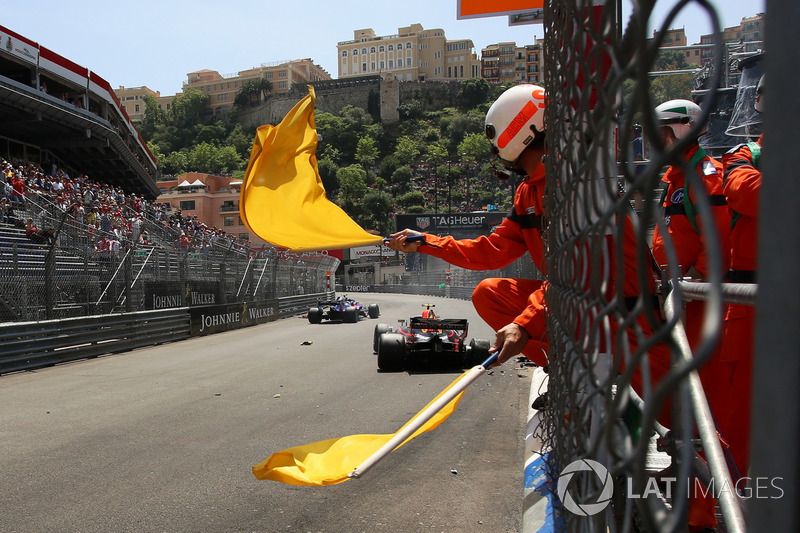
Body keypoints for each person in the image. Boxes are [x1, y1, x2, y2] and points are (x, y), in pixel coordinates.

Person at [387, 84, 549, 367]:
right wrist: (427, 241)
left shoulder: (574, 182)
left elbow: (584, 282)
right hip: (569, 298)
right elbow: (492, 251)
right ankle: (559, 367)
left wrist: (524, 324)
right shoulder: (529, 191)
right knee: (489, 293)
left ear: (512, 133)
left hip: (619, 307)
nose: (495, 151)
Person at [651, 98, 732, 533]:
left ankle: (709, 512)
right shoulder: (676, 177)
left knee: (709, 411)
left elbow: (717, 246)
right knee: (686, 401)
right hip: (681, 303)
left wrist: (691, 285)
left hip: (702, 307)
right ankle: (694, 494)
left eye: (661, 130)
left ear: (683, 129)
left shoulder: (705, 175)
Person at [719, 74, 765, 481]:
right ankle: (734, 497)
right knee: (740, 409)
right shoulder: (744, 154)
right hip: (751, 299)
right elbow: (745, 192)